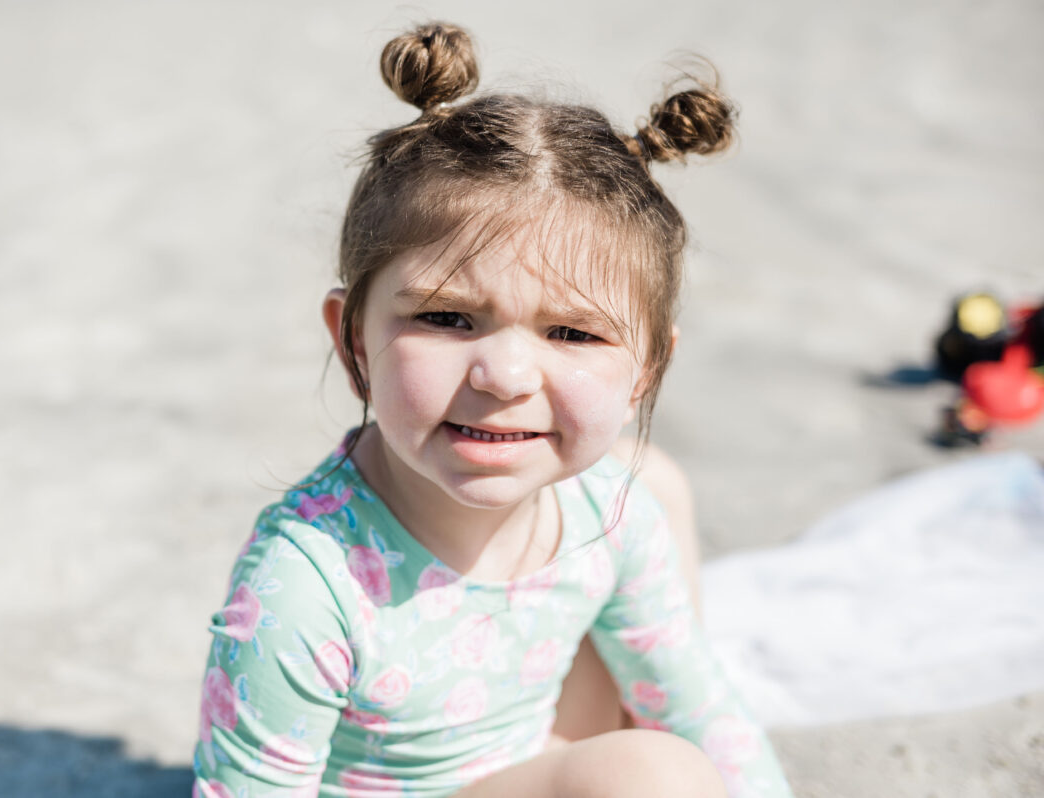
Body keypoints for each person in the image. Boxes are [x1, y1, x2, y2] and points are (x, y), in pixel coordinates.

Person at [193, 22, 793, 798]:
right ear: (353, 344)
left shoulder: (606, 516)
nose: (506, 374)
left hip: (525, 753)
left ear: (646, 372)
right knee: (653, 777)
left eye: (572, 332)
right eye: (446, 318)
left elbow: (695, 706)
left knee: (656, 489)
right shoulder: (309, 582)